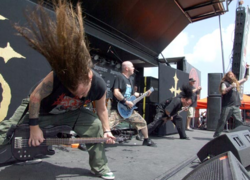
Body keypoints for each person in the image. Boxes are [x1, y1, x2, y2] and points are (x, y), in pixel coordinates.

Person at [0, 1, 115, 179]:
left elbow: (101, 110)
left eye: (81, 93)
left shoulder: (99, 85)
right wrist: (34, 127)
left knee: (95, 126)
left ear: (89, 76)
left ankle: (99, 166)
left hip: (72, 113)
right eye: (73, 92)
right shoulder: (56, 76)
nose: (79, 96)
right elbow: (35, 97)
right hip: (40, 109)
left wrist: (107, 131)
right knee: (8, 129)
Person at [109, 61, 155, 146]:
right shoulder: (119, 77)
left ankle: (146, 140)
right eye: (132, 67)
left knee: (142, 122)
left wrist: (144, 94)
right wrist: (126, 102)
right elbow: (116, 92)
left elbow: (134, 95)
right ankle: (90, 141)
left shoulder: (130, 80)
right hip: (118, 110)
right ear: (127, 68)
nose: (134, 68)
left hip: (128, 111)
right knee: (106, 126)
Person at [213, 65, 249, 138]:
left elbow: (245, 79)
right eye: (229, 75)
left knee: (239, 121)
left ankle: (240, 135)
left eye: (232, 75)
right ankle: (217, 135)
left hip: (236, 105)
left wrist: (247, 69)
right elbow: (223, 91)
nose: (231, 76)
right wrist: (231, 86)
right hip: (227, 105)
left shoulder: (236, 83)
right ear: (226, 76)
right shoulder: (224, 83)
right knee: (223, 120)